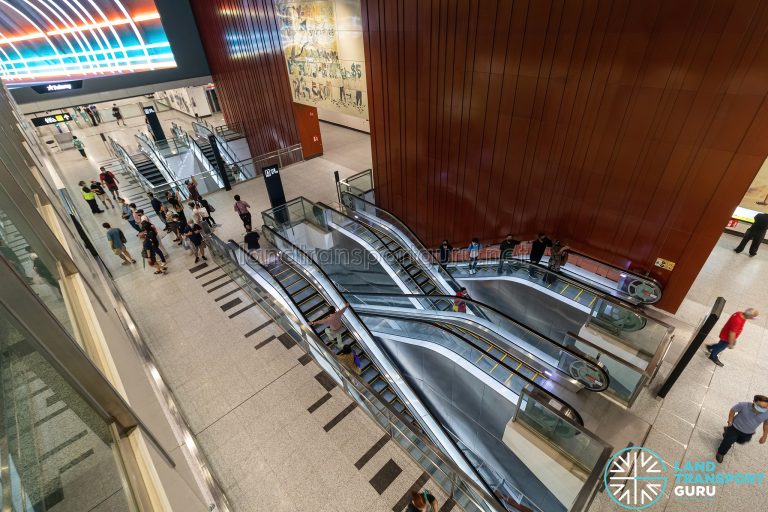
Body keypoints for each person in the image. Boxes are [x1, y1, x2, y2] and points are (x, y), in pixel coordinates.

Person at [715, 395, 768, 463]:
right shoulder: (744, 405)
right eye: (760, 406)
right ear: (754, 402)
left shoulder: (767, 413)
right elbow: (733, 410)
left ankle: (727, 433)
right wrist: (730, 421)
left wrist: (765, 435)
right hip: (734, 428)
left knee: (741, 441)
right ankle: (720, 453)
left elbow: (766, 423)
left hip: (748, 433)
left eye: (765, 407)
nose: (762, 409)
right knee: (728, 442)